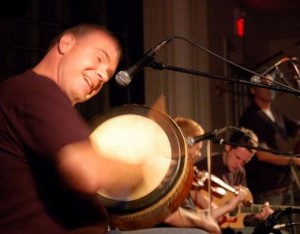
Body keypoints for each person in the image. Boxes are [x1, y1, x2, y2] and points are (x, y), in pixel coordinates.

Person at [0, 23, 208, 234]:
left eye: (107, 75)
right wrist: (143, 168)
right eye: (99, 59)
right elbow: (88, 170)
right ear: (66, 44)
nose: (102, 76)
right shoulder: (37, 91)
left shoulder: (29, 94)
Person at [162, 117, 255, 234]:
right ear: (186, 144)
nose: (199, 154)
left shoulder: (183, 176)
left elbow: (192, 214)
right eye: (198, 149)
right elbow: (170, 216)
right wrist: (203, 221)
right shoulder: (168, 172)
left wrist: (229, 207)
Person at [195, 127, 273, 233]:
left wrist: (255, 215)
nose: (239, 165)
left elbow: (236, 214)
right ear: (227, 147)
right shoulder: (205, 167)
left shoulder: (240, 172)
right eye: (237, 157)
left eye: (245, 161)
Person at [239, 74, 300, 206]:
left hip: (285, 184)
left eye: (272, 85)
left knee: (289, 225)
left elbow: (296, 129)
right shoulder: (251, 117)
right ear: (253, 90)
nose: (270, 89)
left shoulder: (275, 112)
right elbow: (262, 155)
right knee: (273, 226)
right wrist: (293, 160)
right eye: (265, 85)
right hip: (267, 189)